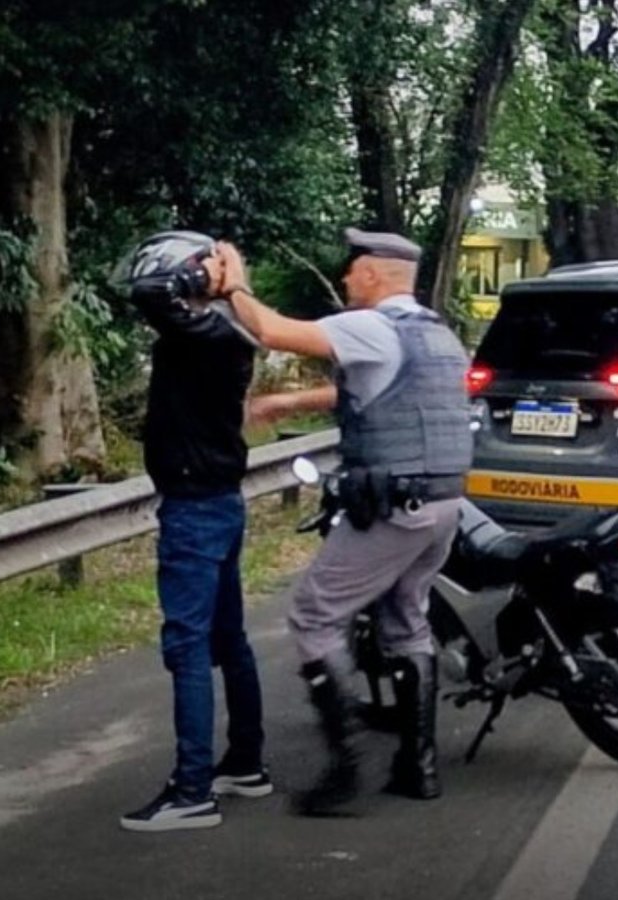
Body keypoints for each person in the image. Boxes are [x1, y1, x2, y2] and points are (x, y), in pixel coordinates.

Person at [213, 227, 473, 816]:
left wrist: (236, 284)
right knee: (408, 621)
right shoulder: (435, 334)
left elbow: (271, 331)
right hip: (443, 507)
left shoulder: (370, 325)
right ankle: (418, 766)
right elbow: (372, 390)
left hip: (393, 508)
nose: (345, 277)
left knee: (314, 614)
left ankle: (345, 768)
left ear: (376, 275)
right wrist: (290, 404)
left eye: (353, 268)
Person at [116, 232, 271, 833]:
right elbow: (155, 296)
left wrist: (212, 273)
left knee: (188, 648)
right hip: (218, 503)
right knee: (228, 638)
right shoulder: (218, 331)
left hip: (196, 509)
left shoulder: (211, 331)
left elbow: (151, 291)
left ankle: (192, 789)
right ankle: (246, 763)